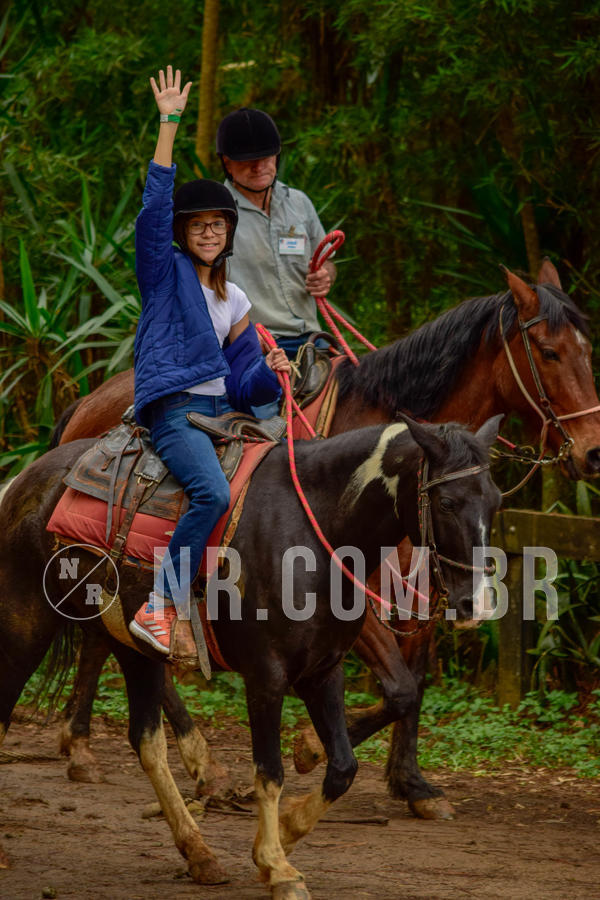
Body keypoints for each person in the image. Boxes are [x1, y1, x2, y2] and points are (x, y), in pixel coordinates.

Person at [129, 66, 290, 665]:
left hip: (225, 412)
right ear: (182, 233)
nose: (209, 233)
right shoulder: (163, 272)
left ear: (228, 234)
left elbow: (244, 386)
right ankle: (160, 606)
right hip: (176, 411)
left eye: (217, 226)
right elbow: (154, 208)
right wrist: (168, 123)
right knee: (212, 496)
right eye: (198, 226)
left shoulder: (237, 302)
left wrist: (272, 368)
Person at [216, 107, 337, 360]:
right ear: (227, 162)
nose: (258, 166)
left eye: (266, 157)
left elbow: (326, 262)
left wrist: (326, 275)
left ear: (277, 156)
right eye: (247, 159)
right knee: (261, 399)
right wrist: (239, 336)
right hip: (255, 345)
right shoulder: (215, 215)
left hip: (312, 340)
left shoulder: (300, 203)